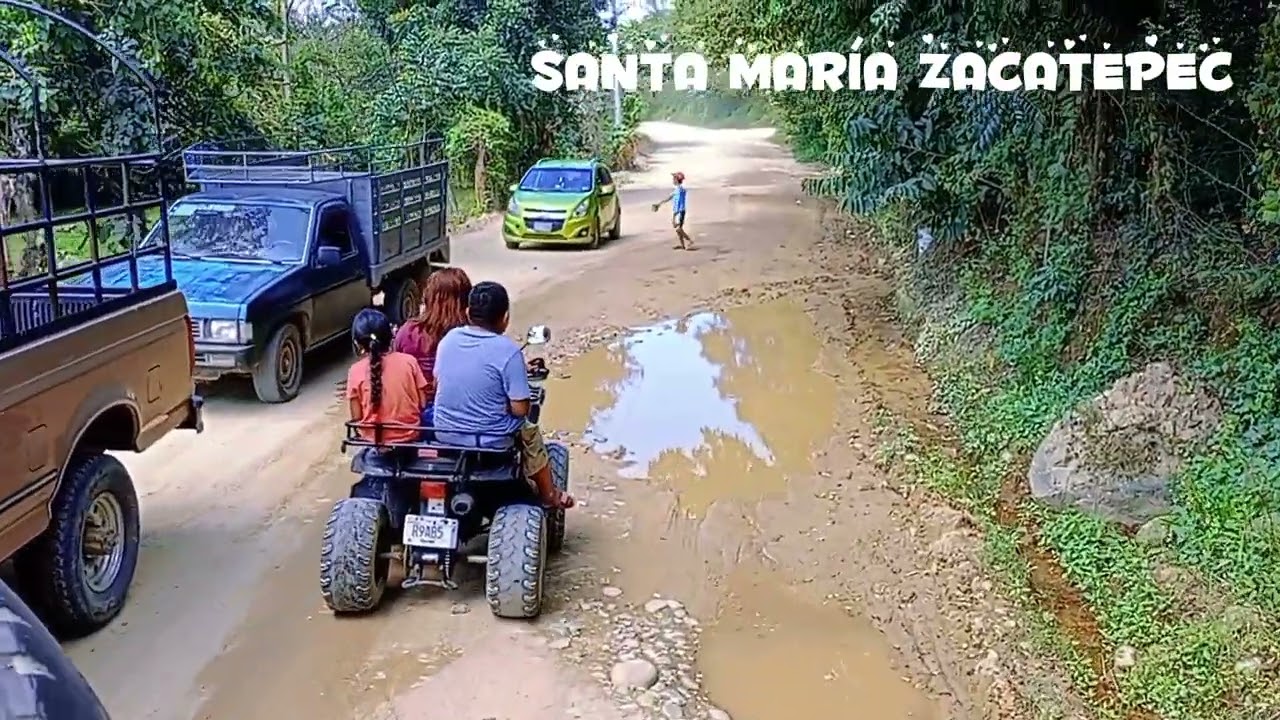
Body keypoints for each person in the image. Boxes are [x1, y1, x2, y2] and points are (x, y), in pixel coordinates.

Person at [432, 281, 575, 509]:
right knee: (530, 432)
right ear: (505, 318)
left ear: (468, 313)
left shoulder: (448, 340)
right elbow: (520, 409)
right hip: (492, 440)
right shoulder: (508, 351)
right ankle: (549, 495)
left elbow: (438, 383)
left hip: (445, 433)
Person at [392, 267, 472, 429]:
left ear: (428, 297)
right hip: (458, 415)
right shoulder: (470, 336)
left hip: (413, 412)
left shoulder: (408, 331)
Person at [347, 308, 429, 450]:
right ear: (391, 335)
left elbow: (357, 418)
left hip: (371, 440)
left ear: (357, 344)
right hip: (409, 437)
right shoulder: (409, 362)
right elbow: (422, 403)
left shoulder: (355, 371)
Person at [652, 171, 693, 250]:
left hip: (680, 211)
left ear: (676, 180)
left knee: (678, 229)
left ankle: (689, 240)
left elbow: (672, 197)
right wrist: (659, 204)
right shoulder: (677, 190)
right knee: (678, 229)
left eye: (674, 179)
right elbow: (668, 198)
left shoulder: (680, 190)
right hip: (676, 212)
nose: (672, 180)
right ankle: (682, 245)